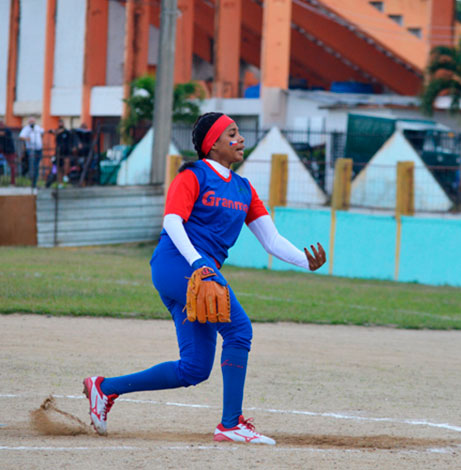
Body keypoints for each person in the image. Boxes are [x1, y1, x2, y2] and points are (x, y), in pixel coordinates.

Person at [82, 112, 327, 444]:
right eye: (232, 134)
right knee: (239, 330)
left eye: (239, 134)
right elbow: (172, 222)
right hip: (178, 265)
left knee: (194, 368)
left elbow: (271, 239)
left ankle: (104, 388)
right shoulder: (193, 175)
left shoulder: (243, 188)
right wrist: (199, 264)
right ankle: (231, 424)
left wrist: (304, 261)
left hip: (201, 274)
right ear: (212, 145)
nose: (240, 140)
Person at [19, 117, 45, 188]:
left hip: (38, 149)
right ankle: (32, 182)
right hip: (31, 149)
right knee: (32, 166)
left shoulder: (37, 128)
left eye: (33, 121)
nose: (32, 123)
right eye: (31, 122)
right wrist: (27, 139)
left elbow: (42, 133)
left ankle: (35, 182)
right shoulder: (26, 129)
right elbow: (21, 137)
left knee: (37, 166)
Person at [0, 120, 17, 185]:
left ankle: (13, 182)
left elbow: (2, 133)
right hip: (2, 149)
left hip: (9, 151)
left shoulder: (7, 130)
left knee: (12, 166)